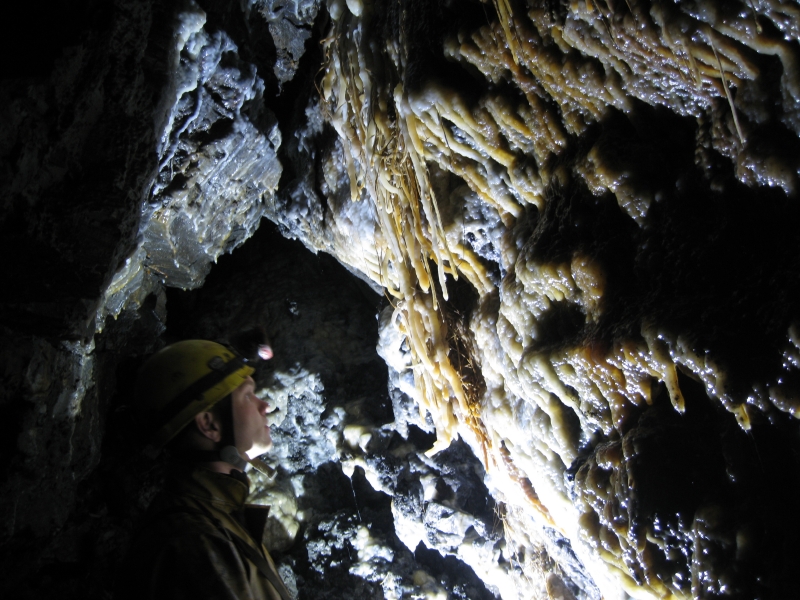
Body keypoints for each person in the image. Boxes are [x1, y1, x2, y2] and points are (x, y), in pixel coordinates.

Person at [115, 339, 292, 600]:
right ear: (209, 424)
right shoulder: (193, 543)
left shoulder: (215, 517)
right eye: (247, 395)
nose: (263, 406)